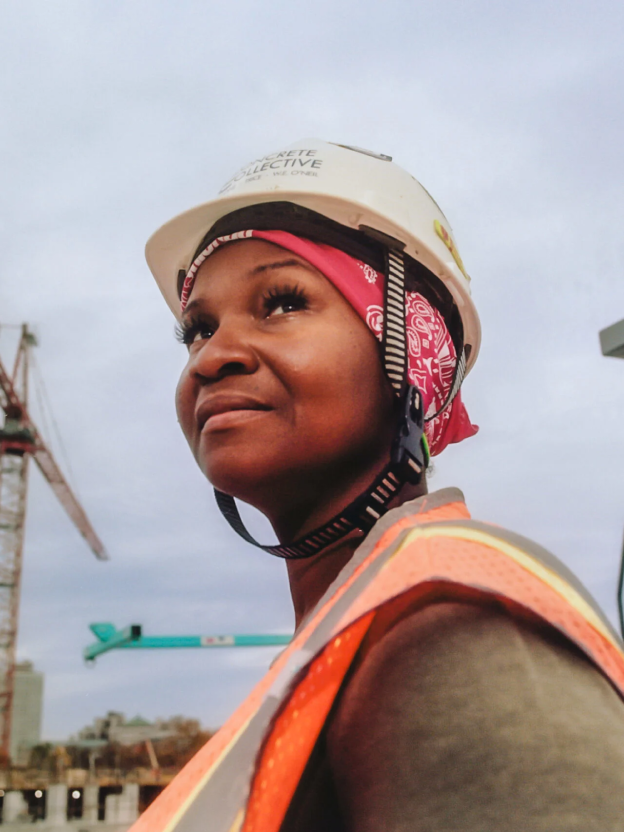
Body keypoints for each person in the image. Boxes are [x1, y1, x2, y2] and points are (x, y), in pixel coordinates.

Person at [131, 140, 624, 832]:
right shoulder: (347, 646)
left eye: (280, 302)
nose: (213, 356)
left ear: (414, 357)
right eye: (197, 329)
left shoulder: (449, 627)